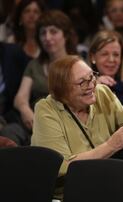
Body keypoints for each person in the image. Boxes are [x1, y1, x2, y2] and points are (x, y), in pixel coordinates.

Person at [31, 55, 123, 193]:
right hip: (68, 194)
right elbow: (61, 166)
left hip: (106, 182)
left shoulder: (102, 93)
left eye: (91, 76)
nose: (91, 85)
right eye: (82, 82)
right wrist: (111, 145)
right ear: (62, 90)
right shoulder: (46, 110)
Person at [1, 10, 76, 145]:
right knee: (9, 133)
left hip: (63, 124)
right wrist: (26, 112)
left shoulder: (77, 65)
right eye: (43, 33)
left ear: (66, 35)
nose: (47, 38)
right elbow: (20, 98)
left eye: (53, 32)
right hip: (33, 120)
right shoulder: (35, 64)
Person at [89, 30, 123, 111]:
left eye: (116, 55)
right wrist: (95, 87)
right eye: (105, 54)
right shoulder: (83, 85)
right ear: (92, 57)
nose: (111, 59)